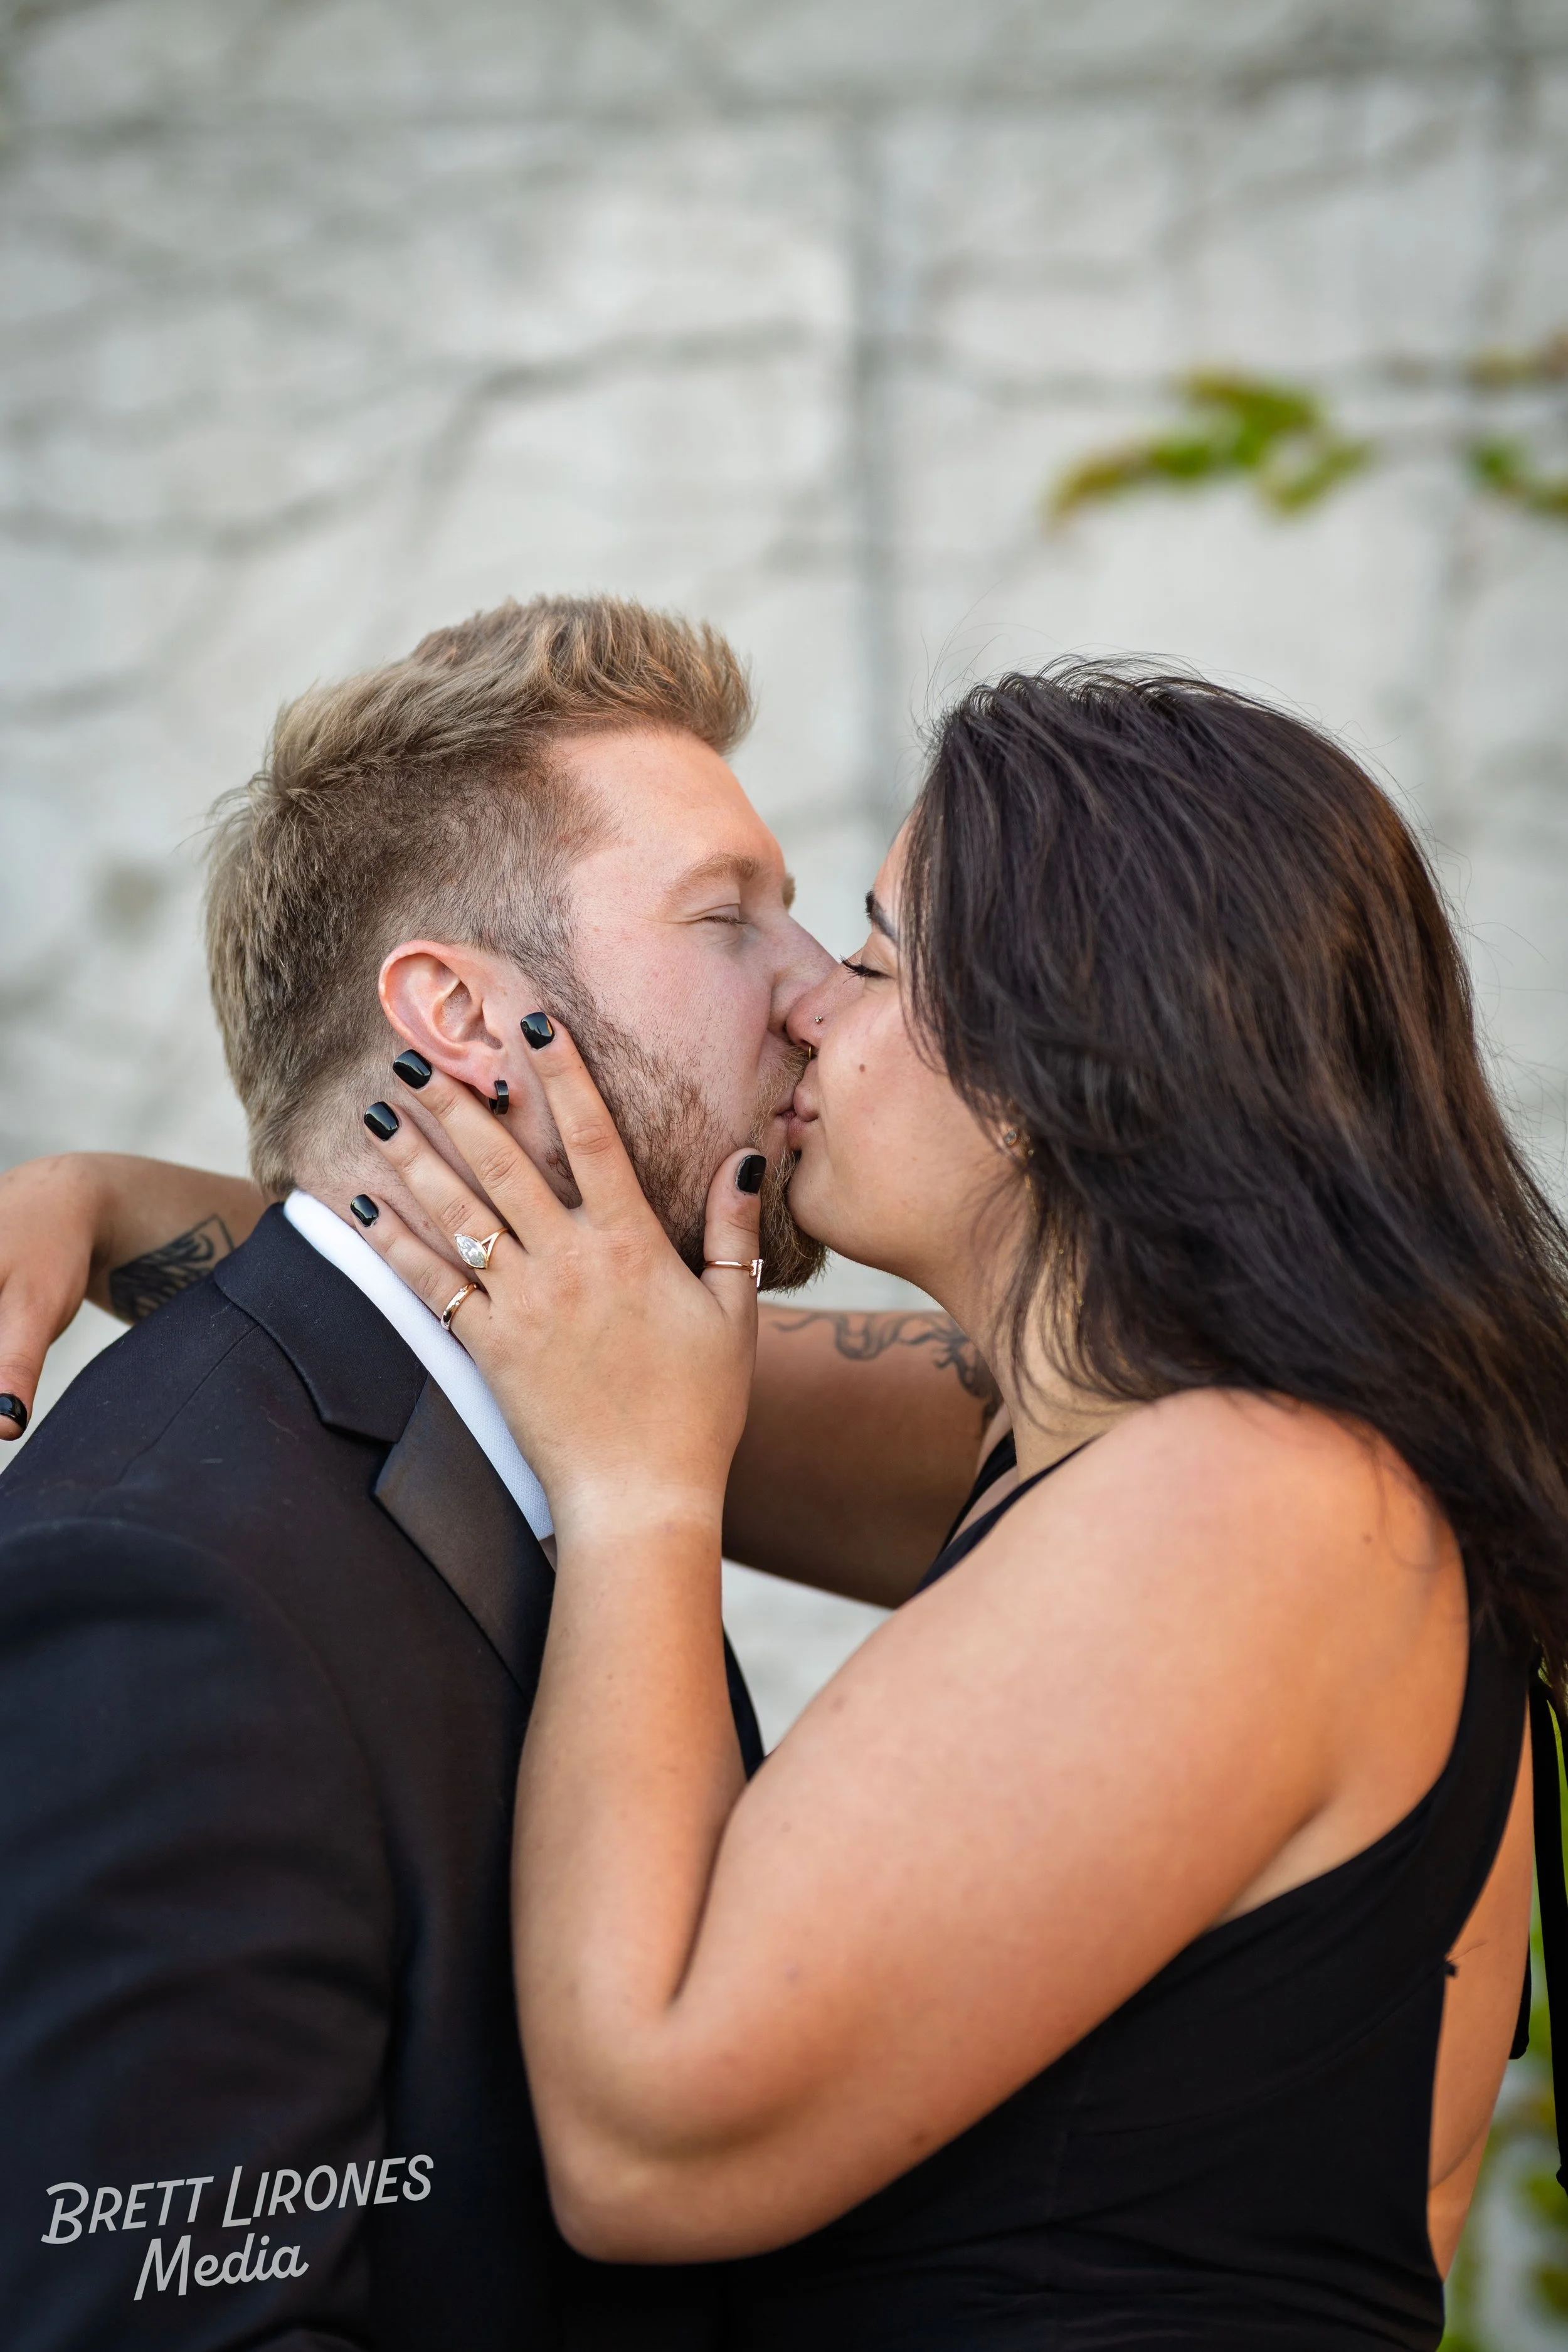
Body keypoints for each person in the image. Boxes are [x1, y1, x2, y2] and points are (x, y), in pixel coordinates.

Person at [342, 666, 1568, 2350]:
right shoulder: (1130, 1438)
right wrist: (102, 1205)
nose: (803, 1013)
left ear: (1075, 1048)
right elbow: (550, 1323)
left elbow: (648, 2143)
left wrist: (638, 1498)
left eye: (867, 955)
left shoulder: (1249, 1505)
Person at [0, 595, 999, 2350]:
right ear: (459, 1015)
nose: (816, 994)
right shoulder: (167, 1584)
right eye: (727, 918)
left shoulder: (562, 1428)